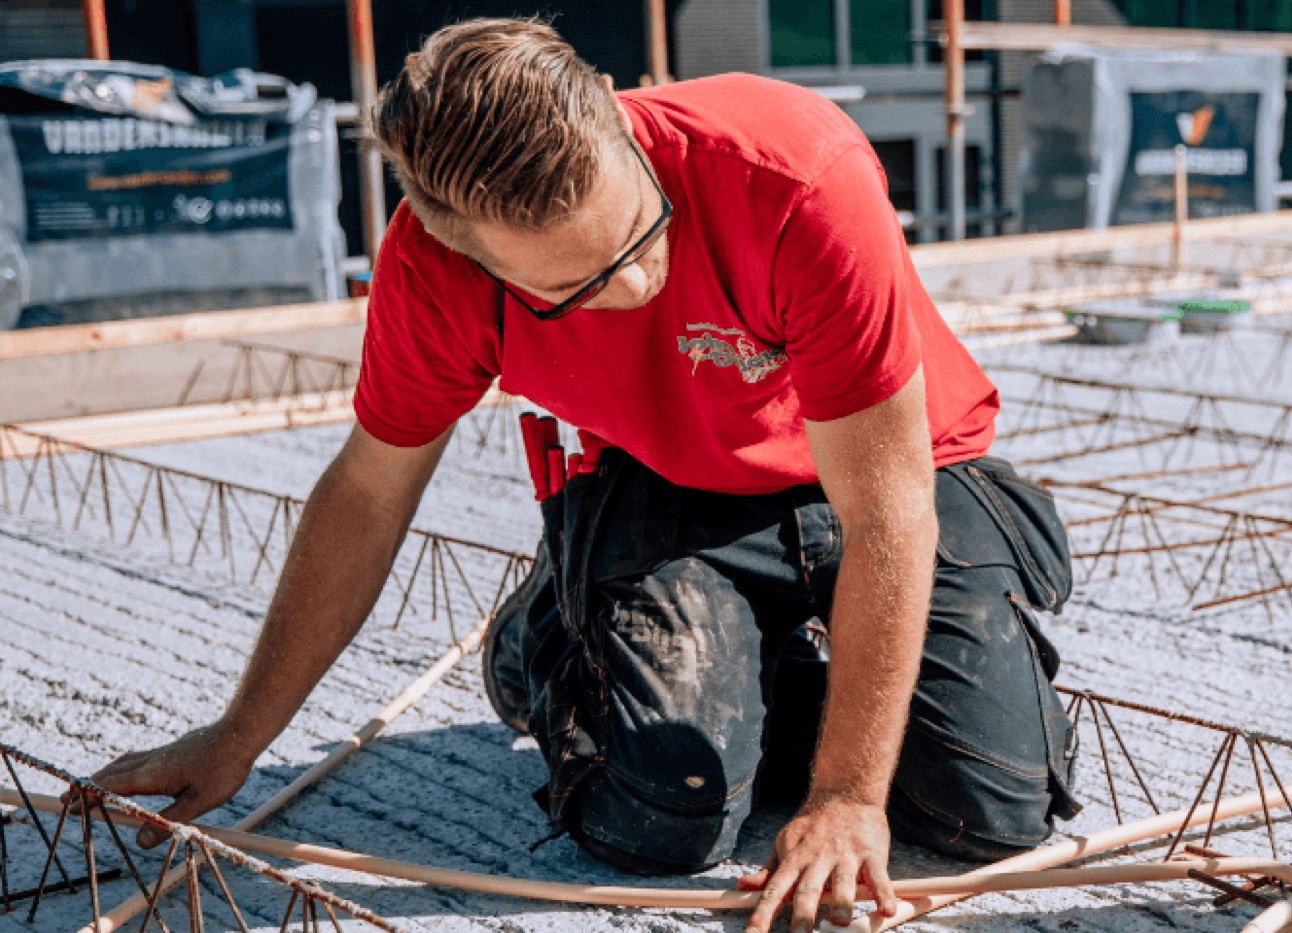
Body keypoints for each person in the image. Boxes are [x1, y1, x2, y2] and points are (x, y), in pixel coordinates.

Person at [92, 18, 1080, 933]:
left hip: (902, 467)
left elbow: (889, 514)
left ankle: (760, 654)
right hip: (671, 484)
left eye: (638, 235)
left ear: (613, 109)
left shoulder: (791, 175)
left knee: (988, 814)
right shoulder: (431, 276)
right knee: (656, 817)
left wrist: (845, 801)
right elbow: (368, 493)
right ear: (459, 249)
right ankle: (548, 633)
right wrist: (240, 734)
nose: (638, 283)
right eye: (577, 288)